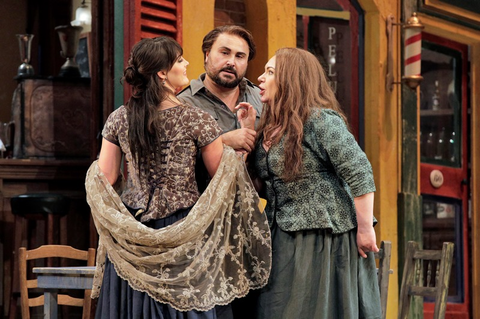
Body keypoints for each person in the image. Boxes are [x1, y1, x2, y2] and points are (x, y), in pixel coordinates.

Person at [85, 36, 271, 319]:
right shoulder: (196, 119)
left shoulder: (119, 118)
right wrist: (243, 136)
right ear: (162, 73)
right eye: (180, 59)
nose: (186, 64)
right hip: (184, 229)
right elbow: (224, 179)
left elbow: (106, 178)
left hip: (133, 232)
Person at [251, 47, 382, 319]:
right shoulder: (269, 127)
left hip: (323, 238)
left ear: (291, 80)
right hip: (281, 234)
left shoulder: (320, 121)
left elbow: (360, 173)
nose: (260, 79)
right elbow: (261, 183)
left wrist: (365, 229)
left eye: (270, 72)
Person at [178, 25, 262, 191]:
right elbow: (175, 163)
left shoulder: (261, 98)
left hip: (256, 210)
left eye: (240, 56)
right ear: (207, 55)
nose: (231, 62)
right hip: (204, 209)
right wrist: (222, 142)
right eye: (225, 53)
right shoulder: (183, 103)